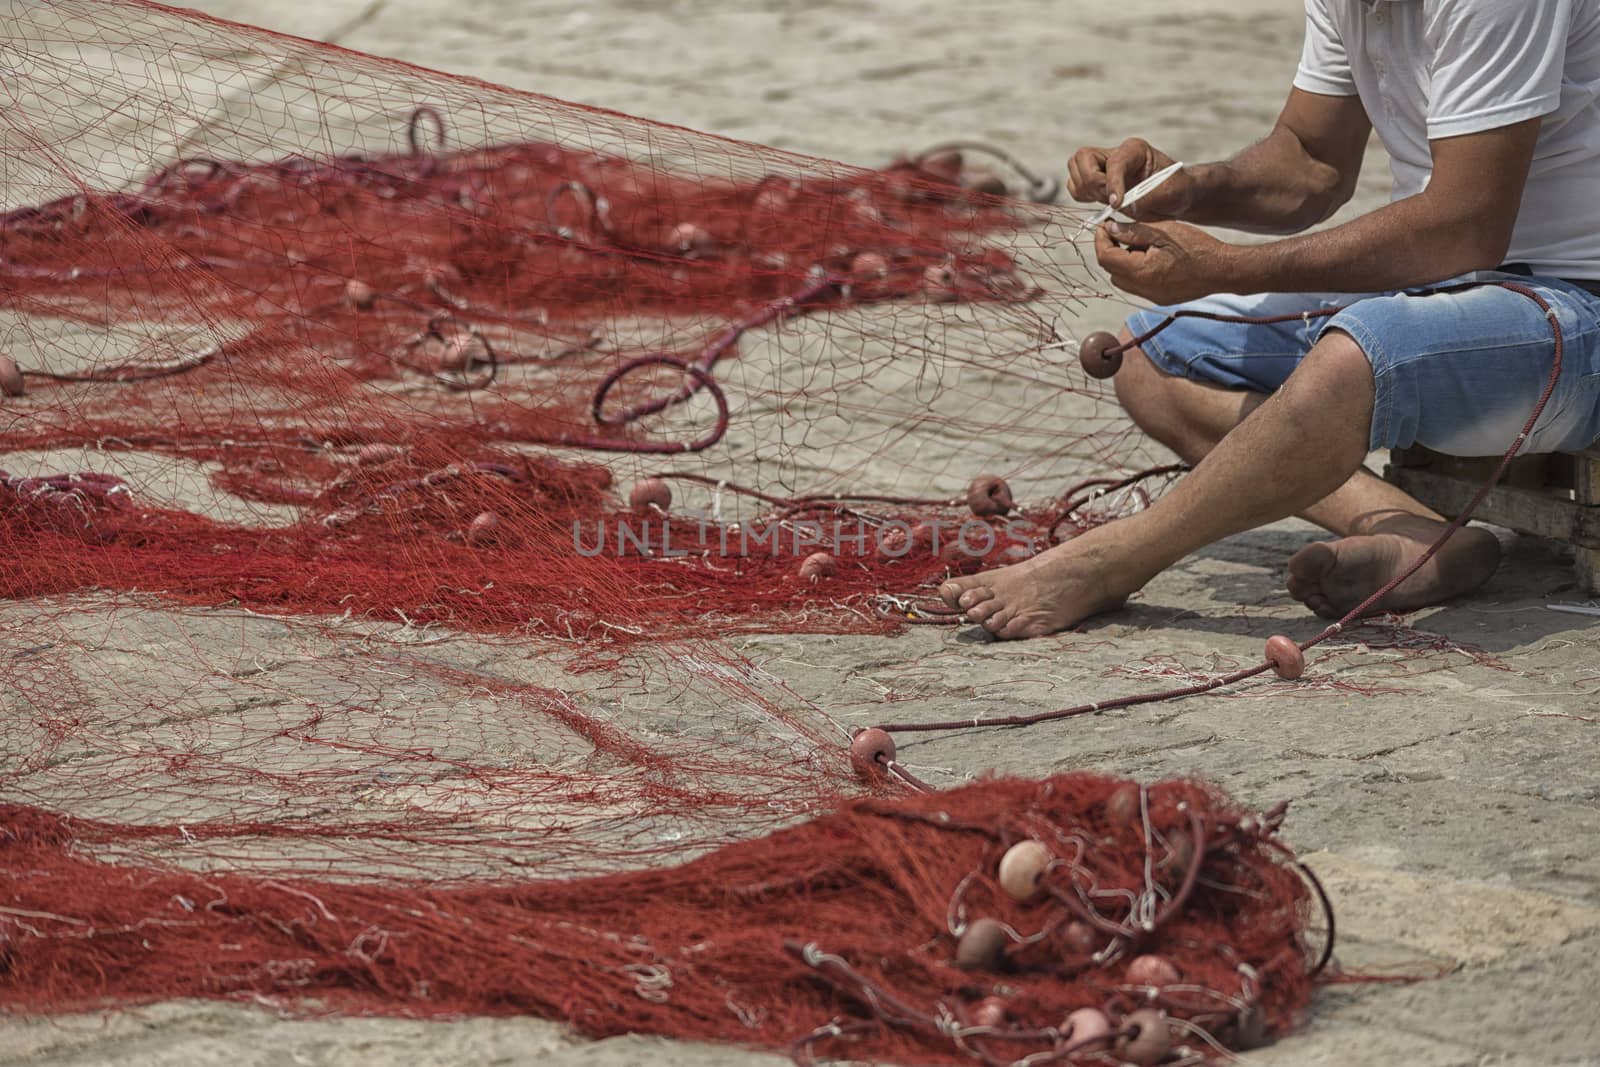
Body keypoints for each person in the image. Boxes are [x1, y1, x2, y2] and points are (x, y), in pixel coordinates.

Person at [939, 0, 1600, 639]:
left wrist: (1227, 267)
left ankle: (1116, 558)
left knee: (1353, 356)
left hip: (1574, 303)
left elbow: (1468, 225)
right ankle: (1410, 532)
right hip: (1441, 285)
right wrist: (1191, 186)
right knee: (1147, 350)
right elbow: (1311, 162)